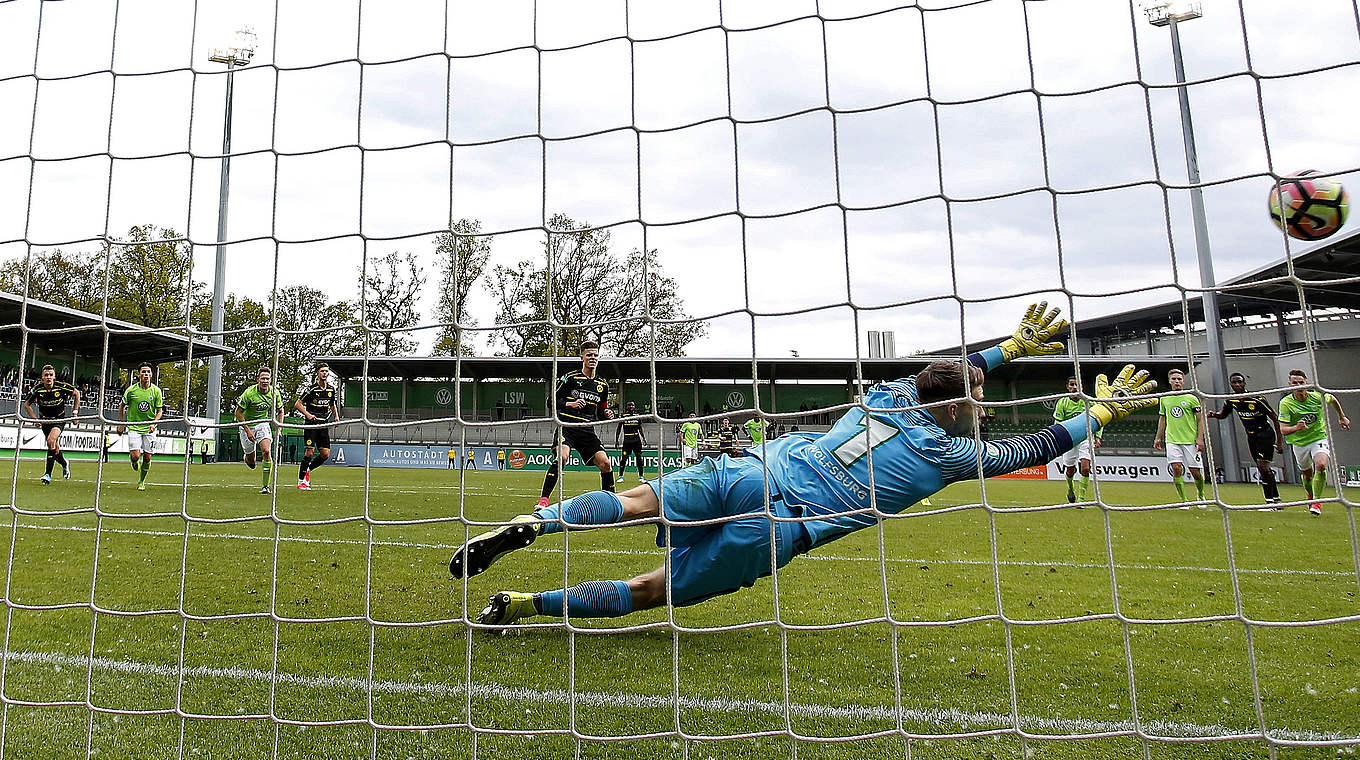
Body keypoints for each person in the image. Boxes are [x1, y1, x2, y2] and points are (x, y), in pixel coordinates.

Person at [451, 304, 1156, 625]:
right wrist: (1097, 415)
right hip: (784, 526)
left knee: (638, 501)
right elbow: (1032, 447)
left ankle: (534, 523)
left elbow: (944, 373)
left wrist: (1005, 350)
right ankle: (522, 606)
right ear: (956, 408)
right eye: (977, 397)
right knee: (649, 591)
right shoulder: (948, 453)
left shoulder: (889, 394)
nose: (981, 402)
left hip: (754, 471)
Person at [538, 341, 614, 508]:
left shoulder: (603, 385)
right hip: (567, 426)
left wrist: (607, 414)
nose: (592, 358)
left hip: (587, 430)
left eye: (595, 355)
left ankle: (612, 503)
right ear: (582, 358)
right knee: (562, 457)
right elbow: (551, 401)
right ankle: (543, 500)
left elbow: (601, 411)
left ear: (598, 357)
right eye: (589, 355)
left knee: (606, 463)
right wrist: (569, 404)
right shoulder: (570, 378)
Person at [1277, 368, 1350, 516]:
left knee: (1321, 465)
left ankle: (1316, 502)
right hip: (1299, 443)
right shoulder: (1286, 403)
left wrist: (1342, 416)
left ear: (1306, 383)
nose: (1298, 385)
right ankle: (1310, 497)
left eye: (1301, 382)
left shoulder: (1317, 397)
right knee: (1307, 475)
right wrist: (1297, 427)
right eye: (1295, 383)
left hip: (1318, 438)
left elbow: (1333, 399)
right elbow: (1283, 430)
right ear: (1290, 385)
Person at [1206, 372, 1283, 505]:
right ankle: (1276, 498)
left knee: (1263, 466)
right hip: (1251, 436)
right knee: (1263, 468)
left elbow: (1274, 418)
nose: (1237, 385)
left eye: (1239, 382)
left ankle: (1270, 501)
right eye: (1234, 383)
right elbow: (1224, 414)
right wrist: (1214, 415)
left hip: (1265, 434)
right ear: (1231, 384)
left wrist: (1280, 442)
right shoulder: (1231, 400)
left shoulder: (1257, 399)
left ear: (1244, 383)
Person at [1153, 368, 1206, 506]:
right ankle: (1184, 501)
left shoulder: (1191, 398)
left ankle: (1200, 495)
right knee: (1176, 468)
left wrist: (1200, 438)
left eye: (1179, 379)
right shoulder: (1165, 398)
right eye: (1174, 379)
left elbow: (1200, 420)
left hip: (1190, 440)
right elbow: (1163, 419)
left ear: (1183, 381)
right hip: (1172, 440)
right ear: (1170, 381)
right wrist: (1158, 437)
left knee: (1195, 472)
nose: (1177, 381)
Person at [23, 364, 79, 484]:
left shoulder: (61, 387)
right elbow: (26, 404)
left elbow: (76, 393)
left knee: (50, 440)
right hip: (45, 421)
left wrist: (75, 413)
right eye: (46, 375)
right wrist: (35, 419)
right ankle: (64, 463)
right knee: (55, 448)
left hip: (59, 420)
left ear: (54, 377)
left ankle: (48, 474)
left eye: (51, 375)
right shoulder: (38, 389)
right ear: (42, 377)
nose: (49, 377)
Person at [235, 365, 284, 495]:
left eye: (267, 378)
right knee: (251, 463)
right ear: (258, 379)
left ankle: (265, 487)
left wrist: (279, 428)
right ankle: (248, 456)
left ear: (271, 380)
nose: (265, 381)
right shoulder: (249, 393)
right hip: (247, 425)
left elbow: (280, 411)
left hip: (263, 423)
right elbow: (238, 413)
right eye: (262, 378)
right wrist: (248, 431)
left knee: (267, 451)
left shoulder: (275, 393)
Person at [1052, 376, 1101, 504]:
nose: (1075, 387)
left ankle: (1082, 499)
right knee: (1070, 470)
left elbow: (1100, 418)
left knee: (1085, 468)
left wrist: (1098, 436)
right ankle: (1071, 489)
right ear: (1068, 387)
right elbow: (1058, 423)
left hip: (1085, 438)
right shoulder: (1062, 402)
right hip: (1069, 439)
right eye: (1072, 385)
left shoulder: (1088, 401)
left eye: (1077, 385)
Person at [119, 362, 163, 492]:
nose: (146, 374)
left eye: (148, 372)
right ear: (139, 375)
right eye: (143, 372)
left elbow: (159, 411)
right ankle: (133, 461)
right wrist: (121, 424)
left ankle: (142, 481)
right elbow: (121, 406)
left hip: (149, 428)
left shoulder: (156, 391)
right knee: (135, 456)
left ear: (151, 375)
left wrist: (154, 423)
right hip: (134, 427)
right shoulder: (131, 390)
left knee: (148, 457)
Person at [295, 363, 339, 491]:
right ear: (318, 373)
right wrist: (308, 415)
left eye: (326, 371)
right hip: (311, 424)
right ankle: (301, 481)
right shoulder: (311, 389)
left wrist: (336, 417)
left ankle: (308, 470)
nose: (324, 373)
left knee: (325, 454)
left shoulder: (331, 389)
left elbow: (332, 405)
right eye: (322, 371)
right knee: (309, 452)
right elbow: (297, 404)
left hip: (323, 424)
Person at [615, 401, 647, 482]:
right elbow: (619, 428)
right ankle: (621, 476)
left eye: (632, 405)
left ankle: (641, 476)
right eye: (629, 405)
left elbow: (640, 428)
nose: (631, 406)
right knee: (624, 458)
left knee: (639, 458)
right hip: (627, 441)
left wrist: (644, 438)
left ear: (634, 407)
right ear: (627, 407)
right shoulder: (623, 416)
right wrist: (616, 440)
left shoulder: (637, 416)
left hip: (636, 440)